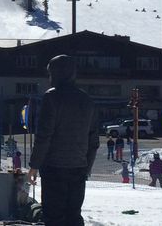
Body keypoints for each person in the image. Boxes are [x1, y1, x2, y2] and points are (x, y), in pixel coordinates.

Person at [28, 55, 100, 226]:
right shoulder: (87, 99)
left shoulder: (51, 97)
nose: (49, 78)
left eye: (50, 74)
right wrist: (87, 167)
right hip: (78, 167)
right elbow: (93, 139)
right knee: (74, 215)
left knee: (54, 216)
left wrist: (34, 165)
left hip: (54, 167)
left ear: (56, 73)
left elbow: (44, 135)